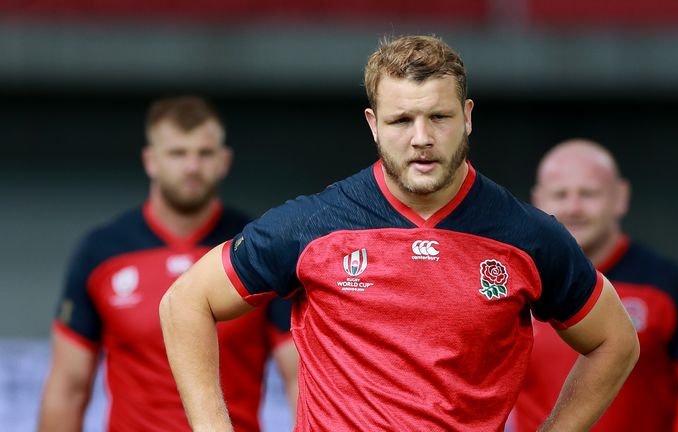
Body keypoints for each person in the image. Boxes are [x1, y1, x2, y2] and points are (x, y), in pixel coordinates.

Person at [159, 35, 639, 431]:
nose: (421, 137)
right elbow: (185, 302)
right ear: (373, 124)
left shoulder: (527, 236)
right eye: (401, 120)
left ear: (467, 116)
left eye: (439, 117)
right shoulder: (314, 225)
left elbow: (615, 342)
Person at [37, 96, 298, 431]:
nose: (191, 166)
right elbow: (68, 388)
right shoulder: (102, 251)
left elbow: (300, 377)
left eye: (204, 153)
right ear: (151, 160)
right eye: (177, 153)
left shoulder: (258, 248)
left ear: (224, 160)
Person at [510, 138, 678, 432]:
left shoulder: (667, 284)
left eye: (589, 194)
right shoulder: (515, 284)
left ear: (620, 197)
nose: (574, 207)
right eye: (560, 194)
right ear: (537, 200)